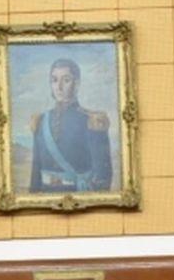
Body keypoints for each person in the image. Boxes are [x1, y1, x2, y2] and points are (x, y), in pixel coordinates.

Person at [28, 57, 112, 194]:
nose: (59, 87)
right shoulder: (41, 121)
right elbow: (35, 172)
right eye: (54, 80)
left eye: (66, 80)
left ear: (77, 84)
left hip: (79, 195)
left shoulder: (92, 121)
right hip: (45, 196)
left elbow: (103, 175)